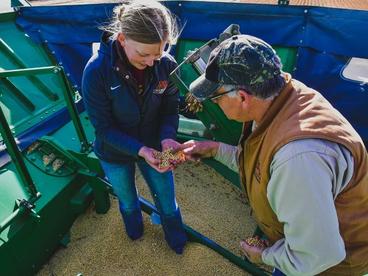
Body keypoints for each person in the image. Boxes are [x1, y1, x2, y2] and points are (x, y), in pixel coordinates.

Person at [182, 34, 368, 275]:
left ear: (242, 97)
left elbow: (318, 255)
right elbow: (263, 166)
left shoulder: (297, 158)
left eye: (216, 98)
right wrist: (216, 150)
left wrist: (264, 256)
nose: (215, 104)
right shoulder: (283, 95)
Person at [81, 0, 187, 254]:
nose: (152, 62)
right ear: (122, 38)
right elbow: (103, 128)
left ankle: (177, 242)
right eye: (144, 54)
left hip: (154, 145)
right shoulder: (96, 72)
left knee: (167, 199)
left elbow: (170, 109)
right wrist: (141, 150)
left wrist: (167, 138)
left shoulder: (167, 65)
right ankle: (134, 233)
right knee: (128, 200)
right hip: (114, 152)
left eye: (159, 53)